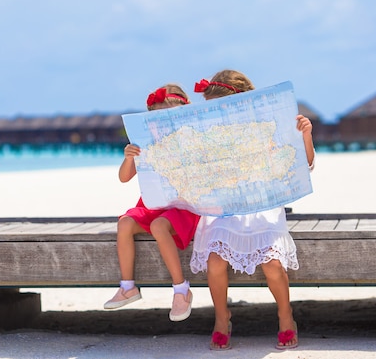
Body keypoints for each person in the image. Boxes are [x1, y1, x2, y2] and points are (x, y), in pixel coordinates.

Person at [189, 69, 315, 350]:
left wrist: (305, 135)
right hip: (227, 208)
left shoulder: (269, 123)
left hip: (263, 206)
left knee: (271, 263)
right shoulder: (212, 133)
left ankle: (286, 315)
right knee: (215, 260)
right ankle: (222, 318)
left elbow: (303, 164)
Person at [104, 83, 201, 322]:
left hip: (184, 207)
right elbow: (124, 178)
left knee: (159, 226)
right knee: (125, 222)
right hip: (154, 203)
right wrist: (129, 158)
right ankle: (128, 287)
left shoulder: (191, 142)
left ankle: (181, 289)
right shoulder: (145, 146)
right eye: (156, 120)